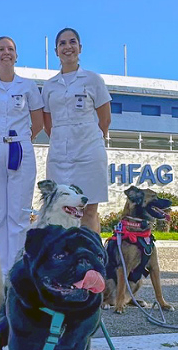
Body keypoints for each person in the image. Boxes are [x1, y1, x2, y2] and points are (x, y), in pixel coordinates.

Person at [0, 36, 43, 276]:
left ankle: (17, 268)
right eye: (1, 49)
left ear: (16, 56)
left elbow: (38, 121)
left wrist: (20, 139)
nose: (6, 53)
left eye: (10, 49)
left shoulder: (28, 86)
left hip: (20, 148)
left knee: (19, 215)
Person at [41, 27, 112, 233]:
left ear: (80, 48)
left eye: (72, 42)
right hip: (59, 156)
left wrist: (87, 139)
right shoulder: (49, 86)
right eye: (62, 43)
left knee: (88, 210)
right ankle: (64, 263)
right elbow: (48, 123)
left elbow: (105, 119)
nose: (67, 47)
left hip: (89, 153)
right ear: (56, 51)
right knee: (59, 211)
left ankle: (92, 262)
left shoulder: (93, 80)